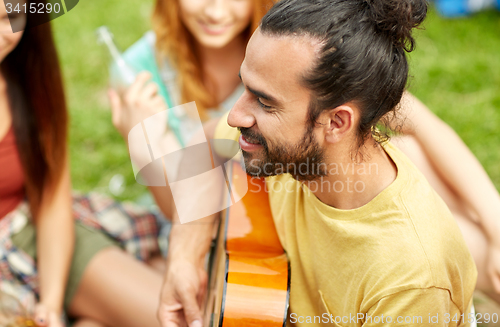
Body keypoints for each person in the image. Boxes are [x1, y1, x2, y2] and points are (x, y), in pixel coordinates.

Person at [156, 0, 479, 326]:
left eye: (264, 102)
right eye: (244, 87)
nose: (236, 114)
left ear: (336, 123)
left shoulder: (410, 280)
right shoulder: (283, 151)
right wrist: (187, 249)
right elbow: (203, 143)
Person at [0, 2, 169, 327]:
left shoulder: (26, 77)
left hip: (31, 232)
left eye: (11, 17)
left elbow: (50, 198)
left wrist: (50, 303)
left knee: (177, 313)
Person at [109, 0, 275, 221]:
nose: (216, 12)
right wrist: (143, 150)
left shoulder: (286, 58)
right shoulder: (138, 72)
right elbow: (183, 216)